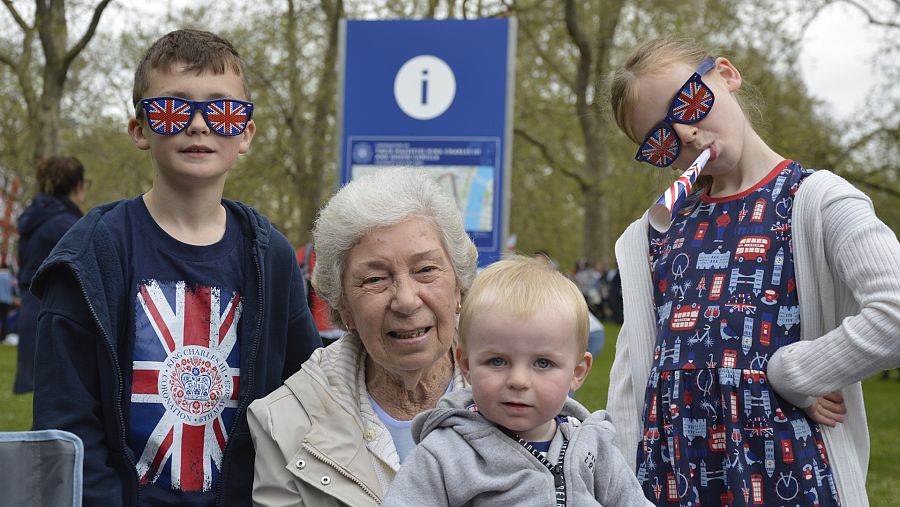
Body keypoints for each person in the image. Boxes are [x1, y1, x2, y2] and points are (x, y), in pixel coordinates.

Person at [30, 29, 322, 506]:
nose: (200, 125)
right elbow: (68, 429)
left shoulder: (271, 259)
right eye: (173, 108)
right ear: (140, 129)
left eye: (223, 110)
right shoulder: (89, 257)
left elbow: (307, 396)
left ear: (245, 132)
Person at [606, 36, 900, 506]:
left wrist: (796, 371)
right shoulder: (651, 235)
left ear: (726, 74)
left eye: (690, 102)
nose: (685, 134)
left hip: (791, 481)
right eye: (660, 139)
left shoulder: (817, 200)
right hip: (670, 485)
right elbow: (628, 391)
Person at [247, 168, 478, 505]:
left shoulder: (522, 393)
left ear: (458, 285)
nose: (406, 300)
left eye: (426, 270)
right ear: (344, 309)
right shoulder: (286, 422)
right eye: (375, 279)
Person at [382, 255, 650, 506]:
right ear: (466, 365)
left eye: (543, 363)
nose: (519, 380)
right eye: (497, 361)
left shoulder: (595, 447)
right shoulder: (445, 455)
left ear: (577, 373)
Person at [13, 155, 87, 393]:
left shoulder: (34, 219)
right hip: (57, 312)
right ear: (78, 185)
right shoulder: (68, 226)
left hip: (31, 307)